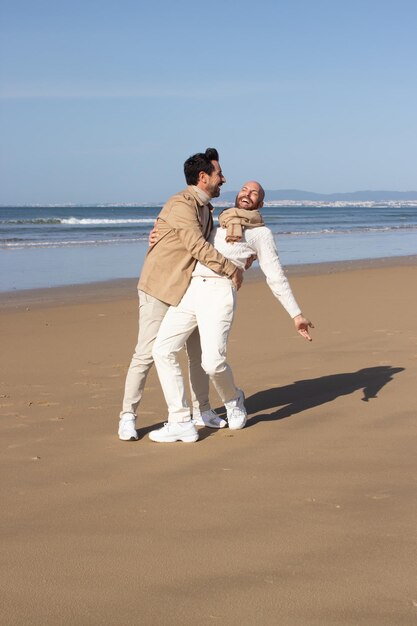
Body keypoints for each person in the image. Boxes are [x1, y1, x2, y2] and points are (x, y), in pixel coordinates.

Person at [149, 181, 313, 443]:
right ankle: (180, 419)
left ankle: (233, 399)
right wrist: (157, 233)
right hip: (191, 289)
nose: (248, 194)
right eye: (245, 190)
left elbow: (276, 276)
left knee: (213, 363)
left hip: (220, 294)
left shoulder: (261, 234)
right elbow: (188, 240)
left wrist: (296, 314)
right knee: (162, 349)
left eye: (254, 193)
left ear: (260, 203)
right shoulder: (218, 220)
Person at [118, 148, 243, 441]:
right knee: (146, 353)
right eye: (219, 173)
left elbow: (217, 237)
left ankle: (202, 410)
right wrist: (231, 270)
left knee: (196, 354)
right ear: (203, 177)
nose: (223, 179)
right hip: (160, 288)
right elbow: (196, 246)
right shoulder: (181, 204)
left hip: (189, 291)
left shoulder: (206, 209)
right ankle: (127, 415)